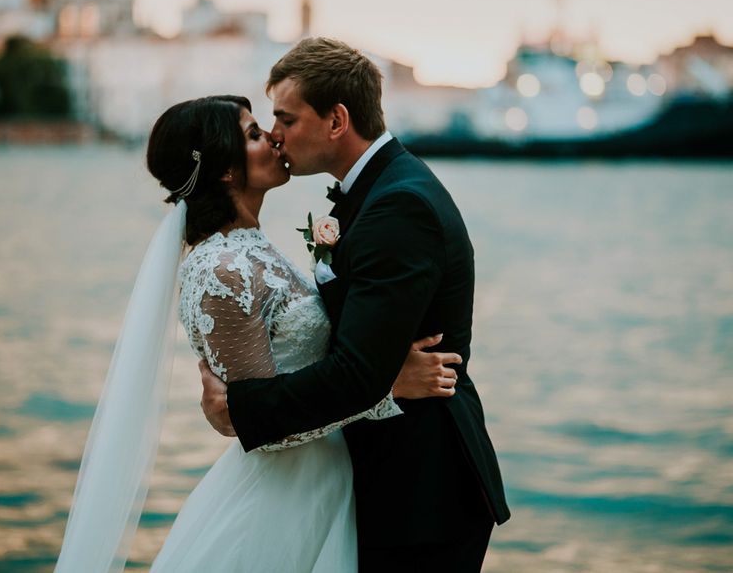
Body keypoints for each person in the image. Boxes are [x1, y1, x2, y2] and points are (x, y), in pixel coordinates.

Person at [54, 94, 455, 573]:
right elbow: (263, 429)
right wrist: (385, 386)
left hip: (322, 482)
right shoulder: (220, 270)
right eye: (253, 133)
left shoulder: (249, 247)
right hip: (282, 499)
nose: (273, 137)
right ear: (225, 169)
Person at [199, 38, 511, 571]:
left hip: (422, 492)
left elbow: (355, 375)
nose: (276, 134)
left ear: (337, 120)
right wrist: (386, 375)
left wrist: (239, 408)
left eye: (287, 119)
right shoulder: (376, 191)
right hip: (390, 478)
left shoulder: (398, 206)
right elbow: (363, 358)